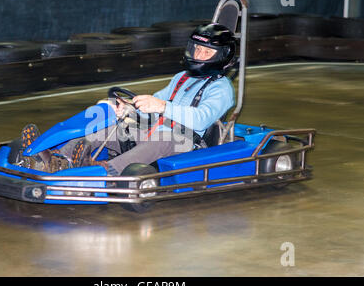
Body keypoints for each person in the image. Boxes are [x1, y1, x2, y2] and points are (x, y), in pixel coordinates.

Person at [21, 23, 237, 175]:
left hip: (188, 143)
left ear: (221, 55)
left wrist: (162, 106)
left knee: (163, 139)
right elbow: (154, 102)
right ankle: (53, 158)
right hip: (157, 130)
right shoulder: (182, 77)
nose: (198, 55)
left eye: (205, 52)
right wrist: (126, 107)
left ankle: (105, 172)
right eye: (196, 49)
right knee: (105, 124)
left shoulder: (221, 88)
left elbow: (201, 118)